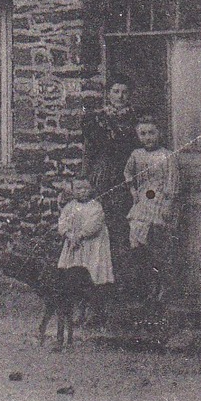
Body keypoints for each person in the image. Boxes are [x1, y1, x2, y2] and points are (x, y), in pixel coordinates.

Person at [82, 79, 137, 273]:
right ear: (108, 94)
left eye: (124, 92)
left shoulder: (136, 120)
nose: (120, 96)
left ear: (129, 95)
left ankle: (122, 277)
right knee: (100, 223)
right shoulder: (98, 119)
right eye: (115, 91)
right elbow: (89, 150)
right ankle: (99, 275)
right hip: (103, 174)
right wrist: (86, 176)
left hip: (125, 175)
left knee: (122, 225)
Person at [124, 118, 180, 304]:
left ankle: (161, 287)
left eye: (151, 133)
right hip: (142, 203)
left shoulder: (167, 156)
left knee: (158, 245)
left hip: (159, 203)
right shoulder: (136, 154)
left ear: (159, 134)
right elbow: (128, 173)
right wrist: (133, 191)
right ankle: (145, 287)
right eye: (143, 133)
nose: (147, 137)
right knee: (137, 242)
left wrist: (168, 204)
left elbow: (172, 182)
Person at [56, 177, 114, 288]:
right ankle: (74, 287)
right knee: (73, 266)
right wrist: (68, 235)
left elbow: (93, 225)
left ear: (91, 189)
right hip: (73, 241)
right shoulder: (69, 207)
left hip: (91, 242)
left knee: (92, 266)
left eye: (86, 188)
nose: (83, 191)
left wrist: (79, 236)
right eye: (78, 188)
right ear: (72, 191)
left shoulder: (95, 206)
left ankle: (96, 287)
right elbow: (62, 222)